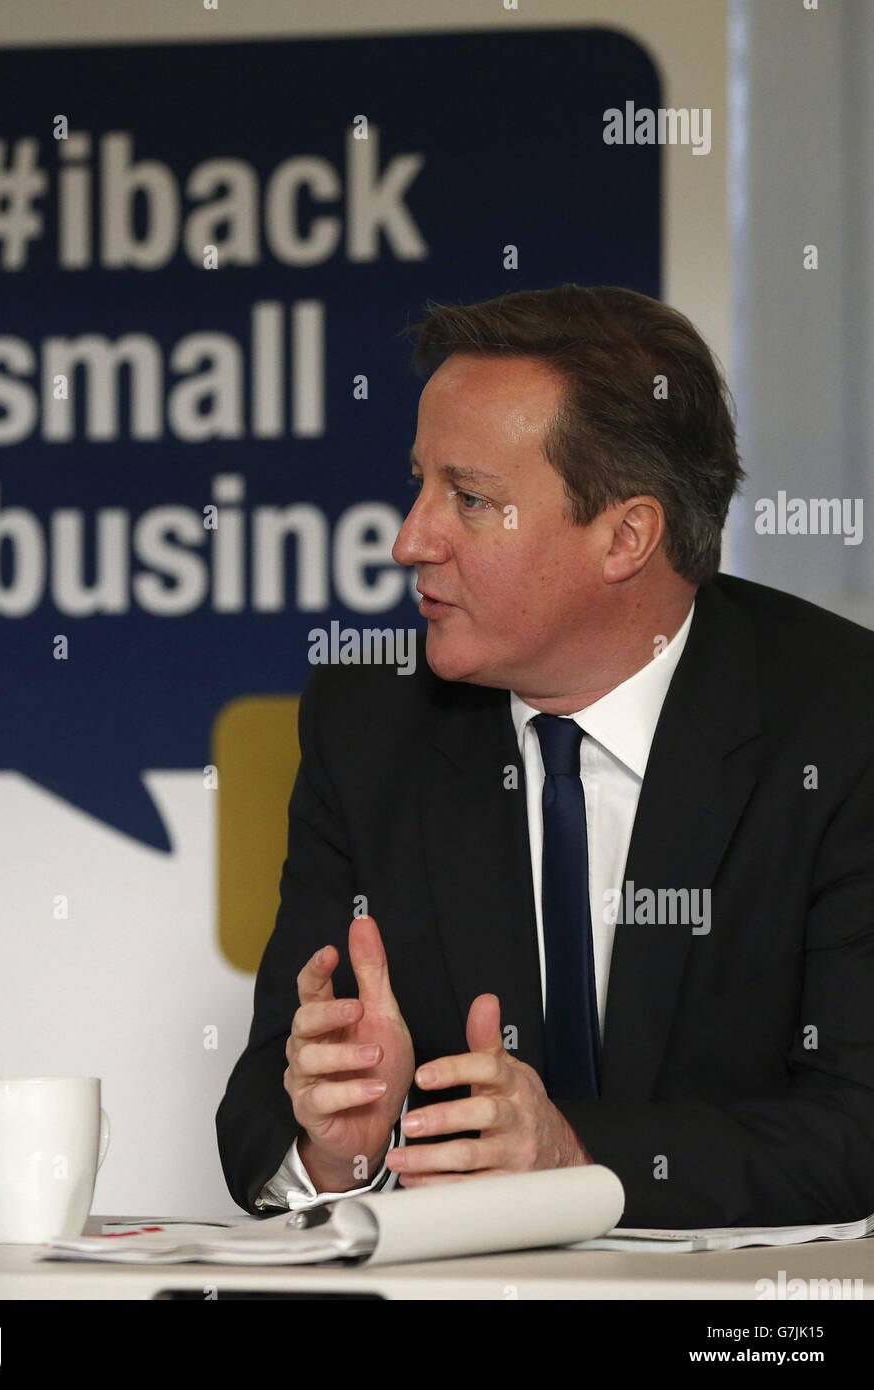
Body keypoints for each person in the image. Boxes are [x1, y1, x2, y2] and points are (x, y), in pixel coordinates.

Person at [216, 284, 874, 1228]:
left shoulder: (843, 722)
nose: (409, 540)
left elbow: (856, 1127)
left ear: (626, 537)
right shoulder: (370, 727)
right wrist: (339, 1143)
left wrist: (575, 1153)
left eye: (470, 499)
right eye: (420, 484)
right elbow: (258, 1115)